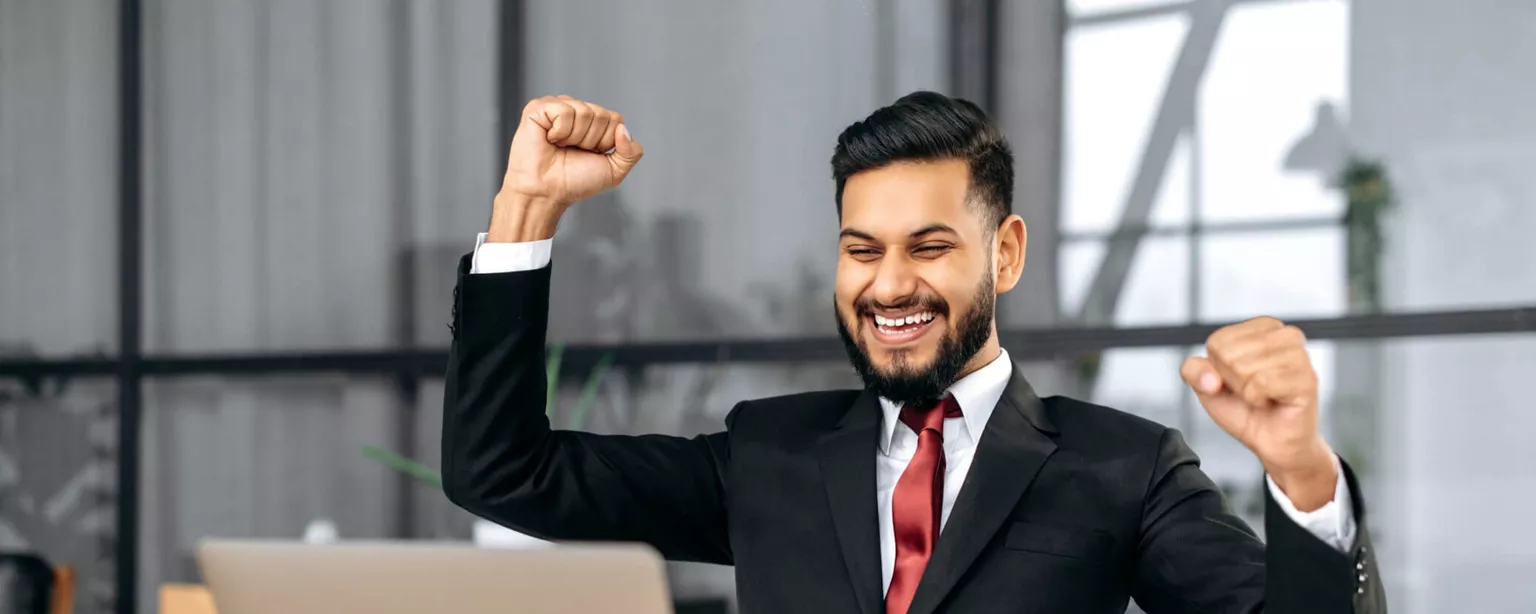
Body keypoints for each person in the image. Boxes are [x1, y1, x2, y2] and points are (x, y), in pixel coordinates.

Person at [442, 92, 1386, 614]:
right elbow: (503, 473)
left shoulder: (1124, 468)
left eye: (929, 247)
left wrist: (1301, 473)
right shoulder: (766, 455)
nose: (889, 285)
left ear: (1004, 252)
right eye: (863, 251)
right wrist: (525, 215)